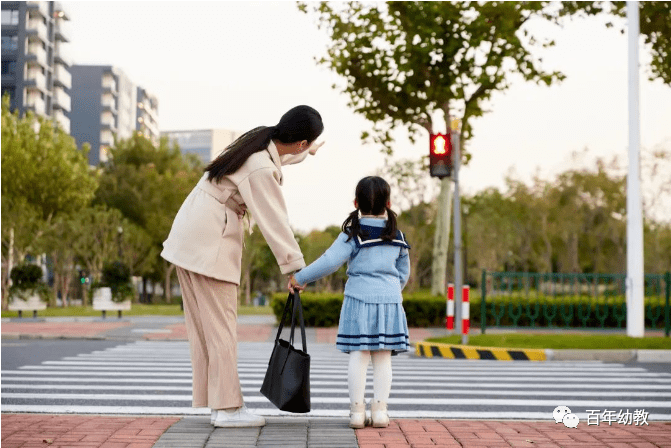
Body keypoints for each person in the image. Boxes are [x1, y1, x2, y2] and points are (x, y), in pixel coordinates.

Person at [161, 105, 324, 427]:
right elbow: (274, 220)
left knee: (208, 330)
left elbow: (283, 158)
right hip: (211, 240)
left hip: (192, 235)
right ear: (301, 142)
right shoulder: (261, 169)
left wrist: (307, 152)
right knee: (221, 329)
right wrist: (296, 269)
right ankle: (227, 409)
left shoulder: (257, 144)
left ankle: (219, 405)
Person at [289, 176, 411, 429]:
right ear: (388, 203)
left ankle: (357, 413)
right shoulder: (396, 235)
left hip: (358, 300)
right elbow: (404, 272)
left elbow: (330, 261)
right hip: (390, 301)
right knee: (383, 357)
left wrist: (300, 278)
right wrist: (389, 291)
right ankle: (379, 412)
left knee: (359, 355)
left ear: (356, 202)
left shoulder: (353, 234)